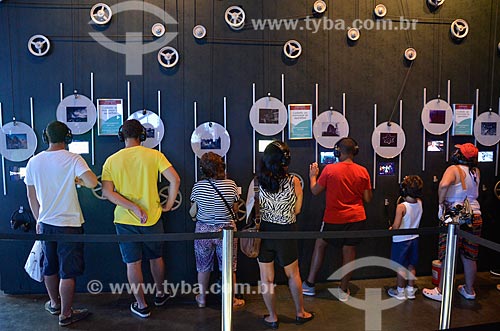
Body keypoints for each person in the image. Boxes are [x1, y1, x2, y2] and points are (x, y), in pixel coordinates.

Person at [102, 119, 180, 318]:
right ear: (142, 136)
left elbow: (108, 193)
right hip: (153, 217)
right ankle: (160, 294)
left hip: (124, 220)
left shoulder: (112, 160)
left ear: (122, 136)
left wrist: (132, 207)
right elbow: (175, 179)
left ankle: (141, 305)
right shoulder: (154, 155)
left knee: (132, 263)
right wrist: (169, 204)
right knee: (156, 257)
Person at [25, 121, 98, 326]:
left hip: (46, 223)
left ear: (45, 137)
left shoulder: (34, 161)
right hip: (69, 223)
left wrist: (39, 219)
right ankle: (66, 314)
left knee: (50, 266)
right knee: (68, 270)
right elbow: (93, 182)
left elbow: (31, 196)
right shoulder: (73, 159)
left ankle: (54, 304)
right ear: (67, 138)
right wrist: (78, 180)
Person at [246, 141, 313, 329]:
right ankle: (300, 312)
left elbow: (248, 208)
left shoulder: (256, 182)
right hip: (286, 232)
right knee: (293, 274)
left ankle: (273, 317)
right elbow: (297, 209)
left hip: (264, 233)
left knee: (266, 278)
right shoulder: (294, 181)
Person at [302, 137, 372, 301]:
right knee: (349, 251)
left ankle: (310, 284)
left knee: (320, 244)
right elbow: (368, 198)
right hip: (356, 217)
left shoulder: (329, 170)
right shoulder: (363, 171)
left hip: (334, 218)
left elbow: (314, 191)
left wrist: (313, 176)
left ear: (337, 151)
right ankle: (343, 289)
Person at [423, 143, 482, 301]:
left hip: (455, 213)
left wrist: (441, 202)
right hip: (475, 214)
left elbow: (444, 184)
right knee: (470, 256)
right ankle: (469, 290)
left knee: (447, 253)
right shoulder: (475, 171)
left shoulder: (453, 169)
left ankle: (442, 291)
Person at [190, 152, 245, 309]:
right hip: (226, 230)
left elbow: (195, 208)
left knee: (203, 266)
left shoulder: (197, 186)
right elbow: (234, 209)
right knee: (229, 267)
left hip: (203, 230)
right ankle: (231, 300)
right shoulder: (231, 185)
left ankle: (201, 298)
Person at [387, 175, 424, 300]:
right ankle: (410, 289)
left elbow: (396, 225)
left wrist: (391, 228)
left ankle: (400, 291)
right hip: (414, 238)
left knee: (400, 266)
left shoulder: (401, 207)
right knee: (411, 265)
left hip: (401, 241)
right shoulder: (419, 203)